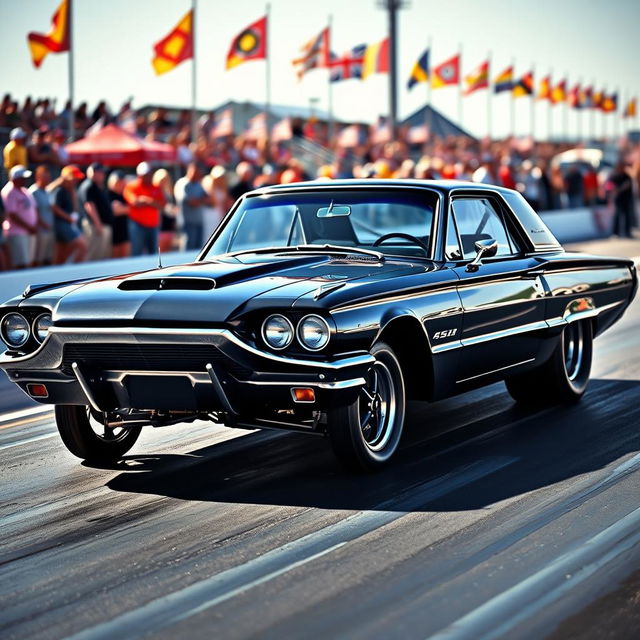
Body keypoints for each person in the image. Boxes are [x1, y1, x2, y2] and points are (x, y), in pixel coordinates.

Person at [123, 162, 165, 256]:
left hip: (153, 225)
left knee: (153, 254)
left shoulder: (156, 187)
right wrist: (153, 202)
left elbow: (162, 204)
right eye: (146, 175)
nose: (148, 177)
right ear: (139, 175)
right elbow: (135, 203)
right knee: (137, 253)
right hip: (138, 225)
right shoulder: (131, 187)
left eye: (150, 174)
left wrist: (146, 200)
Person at [0, 165, 38, 269]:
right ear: (15, 178)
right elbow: (12, 214)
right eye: (23, 178)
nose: (25, 180)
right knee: (20, 263)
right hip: (17, 232)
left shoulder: (24, 190)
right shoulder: (9, 191)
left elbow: (33, 208)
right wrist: (29, 227)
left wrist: (33, 226)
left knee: (29, 262)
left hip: (28, 231)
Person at [51, 165, 88, 264]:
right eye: (74, 179)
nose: (76, 181)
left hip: (66, 224)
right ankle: (75, 271)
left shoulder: (69, 191)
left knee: (61, 254)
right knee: (82, 245)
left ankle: (58, 274)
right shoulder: (59, 191)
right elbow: (54, 208)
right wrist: (68, 218)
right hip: (62, 224)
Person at [78, 162, 113, 261]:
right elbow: (89, 205)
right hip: (94, 226)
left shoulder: (97, 186)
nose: (103, 175)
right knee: (94, 254)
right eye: (100, 173)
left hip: (100, 225)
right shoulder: (89, 186)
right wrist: (98, 223)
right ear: (93, 173)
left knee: (101, 254)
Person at [175, 162, 209, 251]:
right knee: (187, 250)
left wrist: (199, 200)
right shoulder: (183, 184)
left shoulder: (198, 184)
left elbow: (210, 201)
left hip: (199, 222)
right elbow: (191, 202)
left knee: (198, 251)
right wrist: (201, 200)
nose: (198, 174)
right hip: (187, 223)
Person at [28, 165, 55, 266]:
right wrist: (42, 223)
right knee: (38, 258)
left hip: (49, 229)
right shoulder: (33, 192)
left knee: (47, 257)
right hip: (40, 230)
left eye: (48, 177)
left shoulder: (47, 191)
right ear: (38, 177)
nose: (48, 179)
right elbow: (33, 211)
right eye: (45, 177)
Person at [152, 168, 180, 252]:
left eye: (165, 179)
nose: (164, 181)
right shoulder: (155, 192)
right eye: (162, 180)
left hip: (169, 226)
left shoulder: (169, 192)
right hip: (160, 227)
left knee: (167, 250)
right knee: (160, 251)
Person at [107, 171, 130, 258]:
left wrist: (124, 209)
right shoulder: (108, 194)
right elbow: (115, 211)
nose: (121, 185)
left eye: (122, 183)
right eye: (118, 183)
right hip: (113, 232)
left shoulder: (125, 194)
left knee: (125, 258)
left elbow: (131, 209)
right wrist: (125, 209)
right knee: (114, 258)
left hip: (124, 231)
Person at [609, 161, 634, 238]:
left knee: (627, 215)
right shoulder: (614, 176)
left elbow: (629, 185)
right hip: (618, 199)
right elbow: (610, 186)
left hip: (626, 198)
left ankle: (627, 232)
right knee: (617, 215)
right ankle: (615, 233)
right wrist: (618, 189)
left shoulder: (627, 176)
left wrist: (621, 188)